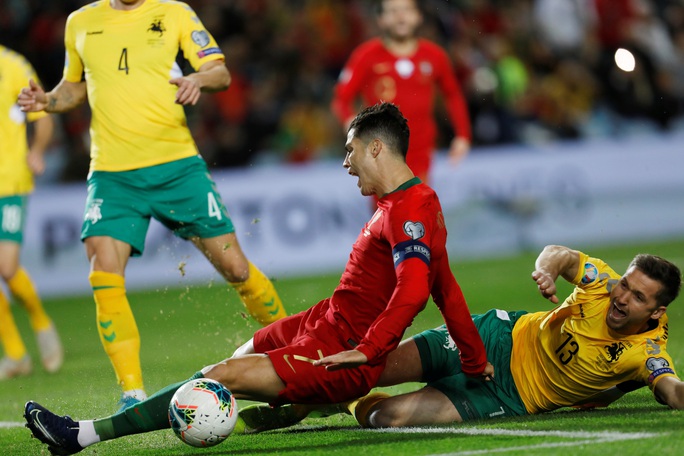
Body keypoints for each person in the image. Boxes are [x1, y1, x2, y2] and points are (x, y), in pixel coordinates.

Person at [23, 101, 492, 455]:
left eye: (350, 151)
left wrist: (370, 350)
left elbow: (416, 289)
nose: (345, 162)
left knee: (213, 380)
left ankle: (81, 434)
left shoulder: (411, 208)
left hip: (340, 349)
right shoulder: (405, 204)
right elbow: (446, 288)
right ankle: (298, 405)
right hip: (323, 322)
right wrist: (473, 362)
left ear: (375, 147)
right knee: (240, 357)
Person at [17, 0, 287, 409]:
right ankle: (132, 394)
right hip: (113, 174)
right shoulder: (81, 22)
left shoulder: (174, 13)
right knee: (103, 271)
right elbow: (75, 86)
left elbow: (221, 72)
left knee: (235, 267)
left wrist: (198, 78)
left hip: (177, 168)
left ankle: (299, 357)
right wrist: (48, 101)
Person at [235, 244, 684, 431]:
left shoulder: (647, 353)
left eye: (637, 295)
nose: (621, 296)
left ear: (657, 311)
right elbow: (560, 254)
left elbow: (672, 391)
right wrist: (546, 272)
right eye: (626, 283)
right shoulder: (602, 284)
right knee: (369, 366)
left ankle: (344, 402)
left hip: (509, 396)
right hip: (493, 336)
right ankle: (300, 399)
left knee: (385, 419)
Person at [331, 0, 472, 184]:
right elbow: (341, 99)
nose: (400, 16)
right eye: (393, 11)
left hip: (421, 151)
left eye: (406, 10)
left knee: (417, 208)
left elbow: (453, 94)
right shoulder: (365, 56)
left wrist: (462, 134)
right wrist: (351, 124)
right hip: (380, 152)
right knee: (389, 210)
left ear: (418, 16)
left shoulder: (434, 56)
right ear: (381, 19)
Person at [0, 45, 63, 380]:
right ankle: (15, 354)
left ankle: (40, 321)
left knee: (7, 268)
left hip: (8, 182)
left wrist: (37, 151)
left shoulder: (12, 65)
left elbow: (42, 116)